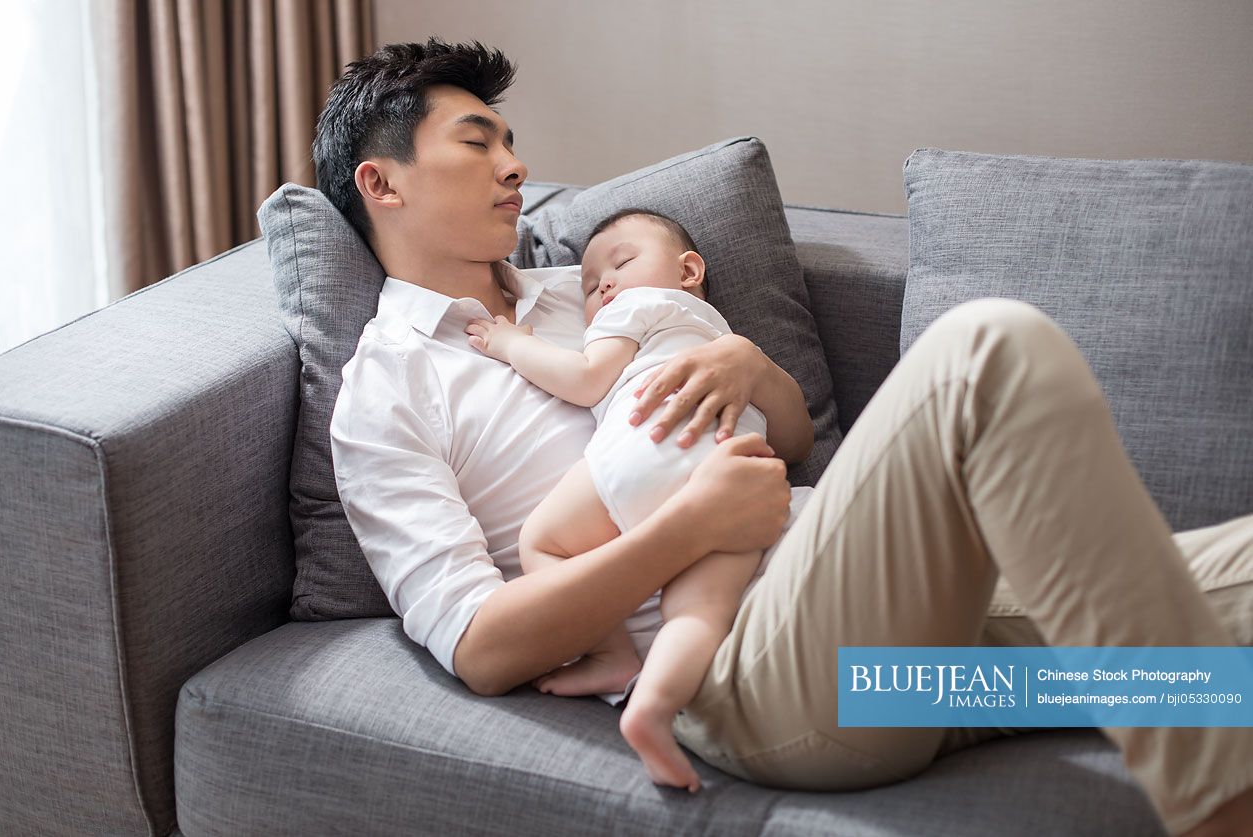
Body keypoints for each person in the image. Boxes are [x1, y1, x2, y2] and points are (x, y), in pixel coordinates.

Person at [319, 38, 1253, 836]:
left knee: (1209, 635)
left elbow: (793, 442)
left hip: (892, 660)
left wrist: (748, 367)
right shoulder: (386, 390)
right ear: (381, 182)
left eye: (512, 143)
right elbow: (479, 646)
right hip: (752, 678)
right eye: (476, 143)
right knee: (984, 349)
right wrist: (686, 530)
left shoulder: (595, 287)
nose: (515, 166)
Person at [464, 207, 814, 792]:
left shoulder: (641, 306)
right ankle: (653, 703)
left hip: (645, 448)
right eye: (588, 284)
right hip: (738, 468)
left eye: (621, 262)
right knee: (700, 612)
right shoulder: (714, 331)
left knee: (543, 541)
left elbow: (584, 378)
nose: (602, 282)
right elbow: (793, 439)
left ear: (688, 270)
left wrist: (506, 343)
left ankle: (613, 660)